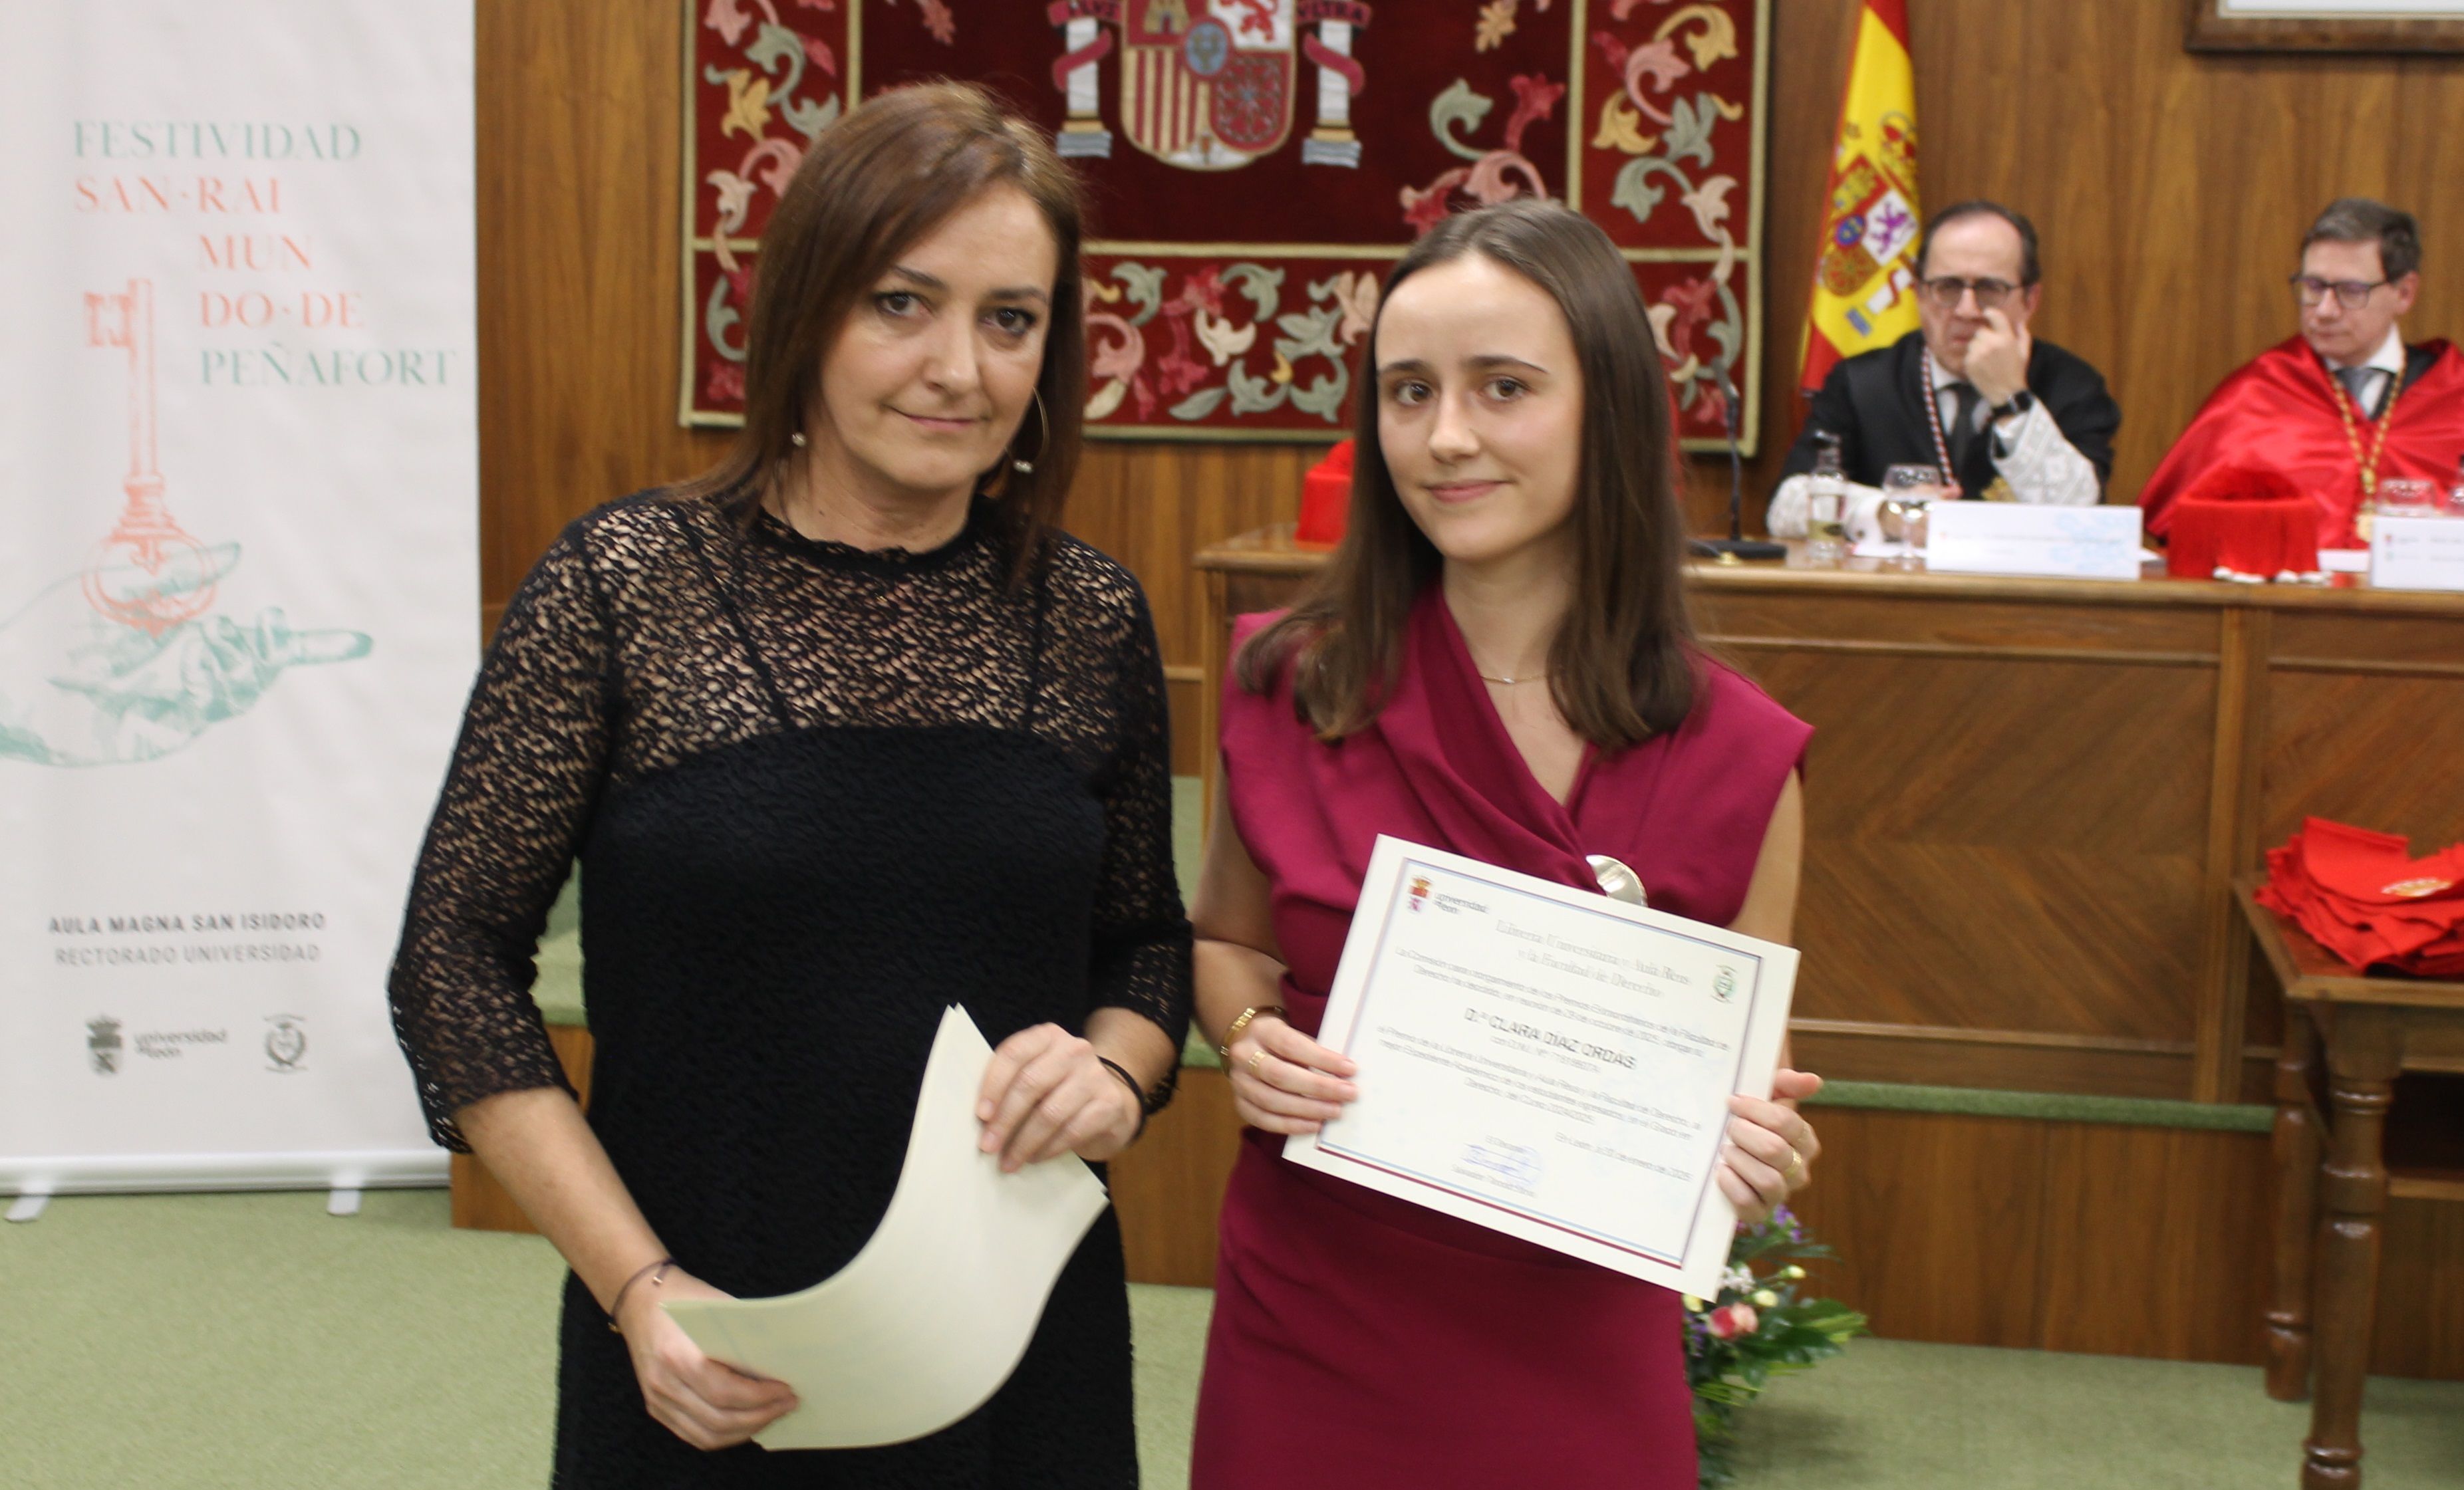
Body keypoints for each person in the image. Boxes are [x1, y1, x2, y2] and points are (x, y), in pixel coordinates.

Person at [387, 83, 1188, 1489]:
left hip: (1012, 1339)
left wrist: (1116, 1070)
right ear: (807, 309)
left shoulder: (1087, 616)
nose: (957, 365)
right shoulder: (623, 588)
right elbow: (450, 965)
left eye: (1010, 319)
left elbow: (1143, 944)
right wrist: (639, 1287)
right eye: (901, 302)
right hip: (710, 1340)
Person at [1186, 199, 1823, 1490]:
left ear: (1610, 408)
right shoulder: (1287, 680)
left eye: (1504, 387)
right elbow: (1225, 943)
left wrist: (1762, 1152)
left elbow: (1747, 1072)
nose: (1446, 436)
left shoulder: (1739, 755)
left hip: (1577, 1349)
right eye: (1407, 391)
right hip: (1312, 1312)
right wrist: (1250, 1044)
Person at [1768, 200, 2120, 541]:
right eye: (1947, 288)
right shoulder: (1862, 384)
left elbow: (2083, 519)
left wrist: (2011, 400)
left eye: (1990, 289)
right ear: (1919, 293)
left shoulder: (2074, 387)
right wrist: (1889, 514)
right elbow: (1786, 506)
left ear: (2030, 301)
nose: (1967, 311)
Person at [2139, 198, 2464, 549]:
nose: (2324, 311)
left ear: (2404, 293)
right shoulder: (2256, 394)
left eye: (2350, 291)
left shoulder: (2454, 396)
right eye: (2313, 287)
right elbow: (2186, 534)